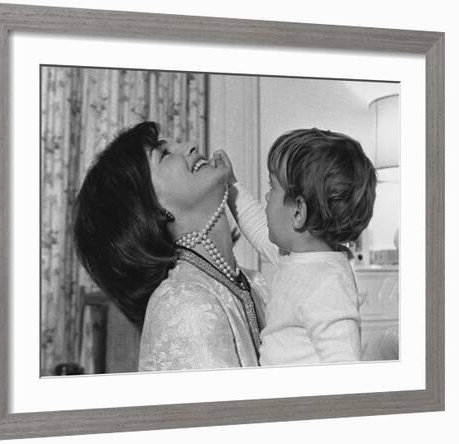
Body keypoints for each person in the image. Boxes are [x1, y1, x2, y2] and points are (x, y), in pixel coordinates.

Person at [73, 121, 269, 371]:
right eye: (164, 154)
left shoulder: (255, 284)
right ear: (148, 208)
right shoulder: (181, 304)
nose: (192, 146)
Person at [218, 128, 377, 366]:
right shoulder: (297, 255)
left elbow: (344, 363)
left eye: (272, 188)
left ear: (298, 211)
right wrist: (231, 185)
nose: (267, 197)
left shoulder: (328, 283)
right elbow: (260, 230)